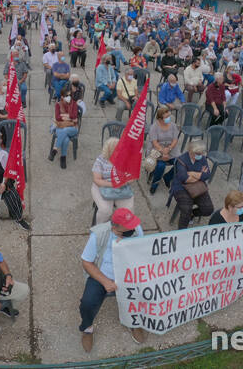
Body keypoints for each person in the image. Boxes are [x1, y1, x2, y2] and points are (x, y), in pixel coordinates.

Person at [79, 208, 145, 352]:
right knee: (87, 303)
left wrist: (129, 245)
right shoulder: (100, 234)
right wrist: (105, 282)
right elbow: (86, 262)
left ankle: (133, 322)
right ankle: (87, 328)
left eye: (133, 225)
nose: (133, 229)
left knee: (142, 296)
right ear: (114, 227)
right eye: (128, 228)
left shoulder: (136, 229)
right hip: (104, 275)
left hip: (128, 274)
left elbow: (142, 251)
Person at [170, 140, 213, 229]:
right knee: (186, 210)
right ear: (190, 151)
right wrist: (200, 175)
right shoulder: (181, 159)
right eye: (197, 153)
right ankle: (181, 232)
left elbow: (207, 175)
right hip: (181, 188)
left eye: (201, 153)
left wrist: (192, 173)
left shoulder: (203, 159)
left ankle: (193, 214)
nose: (199, 156)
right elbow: (185, 178)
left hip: (198, 187)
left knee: (208, 209)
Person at [91, 138, 134, 224]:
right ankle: (99, 229)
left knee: (128, 210)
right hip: (102, 187)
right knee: (105, 210)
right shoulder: (101, 159)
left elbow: (132, 177)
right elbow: (97, 179)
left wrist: (125, 181)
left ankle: (121, 229)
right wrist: (113, 184)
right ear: (108, 150)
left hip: (122, 188)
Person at [148, 106, 180, 194]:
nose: (169, 118)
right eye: (166, 117)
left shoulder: (173, 125)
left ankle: (167, 177)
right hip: (158, 150)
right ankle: (155, 184)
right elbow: (154, 142)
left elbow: (175, 140)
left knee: (180, 163)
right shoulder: (154, 127)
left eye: (169, 116)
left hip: (171, 149)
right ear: (160, 119)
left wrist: (169, 148)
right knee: (161, 166)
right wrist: (163, 152)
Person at [50, 85, 79, 169]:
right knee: (65, 139)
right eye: (67, 96)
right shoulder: (58, 105)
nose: (69, 97)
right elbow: (57, 117)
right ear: (62, 96)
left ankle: (55, 149)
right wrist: (69, 117)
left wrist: (65, 116)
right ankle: (63, 158)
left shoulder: (74, 104)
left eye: (70, 95)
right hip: (61, 126)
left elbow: (74, 116)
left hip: (72, 128)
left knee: (65, 130)